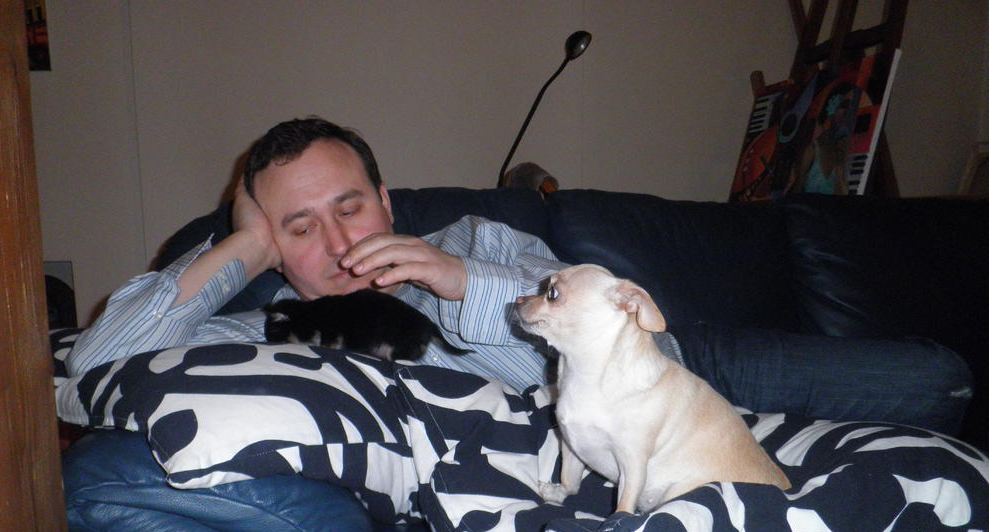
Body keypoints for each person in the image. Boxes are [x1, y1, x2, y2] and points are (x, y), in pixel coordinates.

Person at [67, 117, 972, 435]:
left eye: (350, 206)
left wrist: (456, 279)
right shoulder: (269, 331)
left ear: (385, 200)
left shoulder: (469, 239)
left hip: (681, 366)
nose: (337, 240)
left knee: (933, 379)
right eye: (298, 227)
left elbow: (598, 332)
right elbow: (91, 369)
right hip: (589, 448)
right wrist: (241, 250)